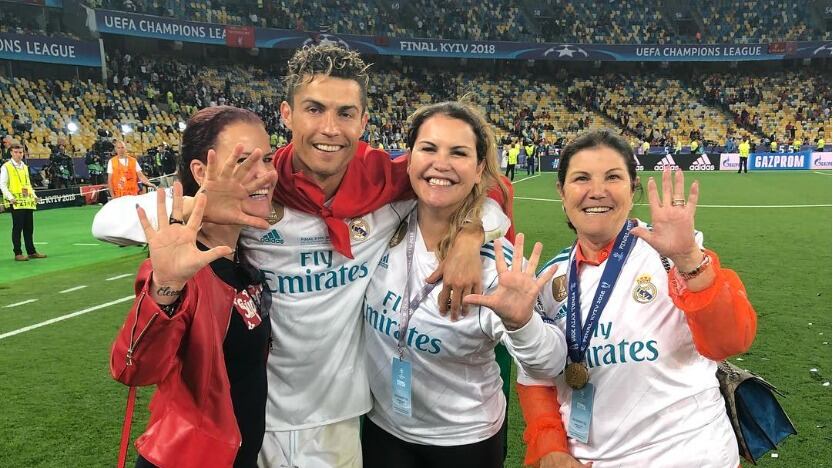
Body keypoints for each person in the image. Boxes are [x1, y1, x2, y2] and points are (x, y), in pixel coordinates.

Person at [93, 43, 511, 468]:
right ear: (287, 115)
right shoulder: (255, 187)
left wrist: (469, 234)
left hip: (337, 420)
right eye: (314, 109)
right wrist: (197, 205)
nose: (330, 128)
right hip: (252, 418)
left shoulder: (385, 185)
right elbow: (106, 221)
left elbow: (482, 189)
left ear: (363, 121)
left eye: (345, 113)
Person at [516, 129, 757, 467]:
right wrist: (549, 445)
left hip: (692, 455)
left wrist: (689, 259)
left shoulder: (671, 255)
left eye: (612, 177)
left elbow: (731, 341)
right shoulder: (548, 280)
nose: (597, 191)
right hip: (591, 460)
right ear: (562, 191)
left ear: (632, 188)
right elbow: (536, 374)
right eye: (581, 178)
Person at [361, 101, 566, 468]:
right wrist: (472, 232)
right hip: (385, 430)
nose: (441, 163)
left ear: (479, 168)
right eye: (429, 148)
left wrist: (522, 322)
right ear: (408, 159)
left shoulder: (496, 266)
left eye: (458, 153)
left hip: (465, 440)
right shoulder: (381, 225)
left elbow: (548, 363)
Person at [110, 106, 278, 468]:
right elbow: (134, 369)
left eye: (267, 158)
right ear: (201, 172)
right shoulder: (186, 265)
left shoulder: (242, 254)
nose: (264, 174)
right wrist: (166, 286)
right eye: (244, 161)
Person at [0, 141, 46, 261]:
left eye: (20, 152)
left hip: (27, 201)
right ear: (11, 153)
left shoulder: (25, 167)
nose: (19, 154)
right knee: (17, 227)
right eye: (16, 152)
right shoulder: (6, 167)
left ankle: (31, 251)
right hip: (16, 202)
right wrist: (10, 197)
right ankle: (18, 253)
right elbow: (2, 185)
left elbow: (28, 184)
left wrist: (34, 195)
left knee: (29, 228)